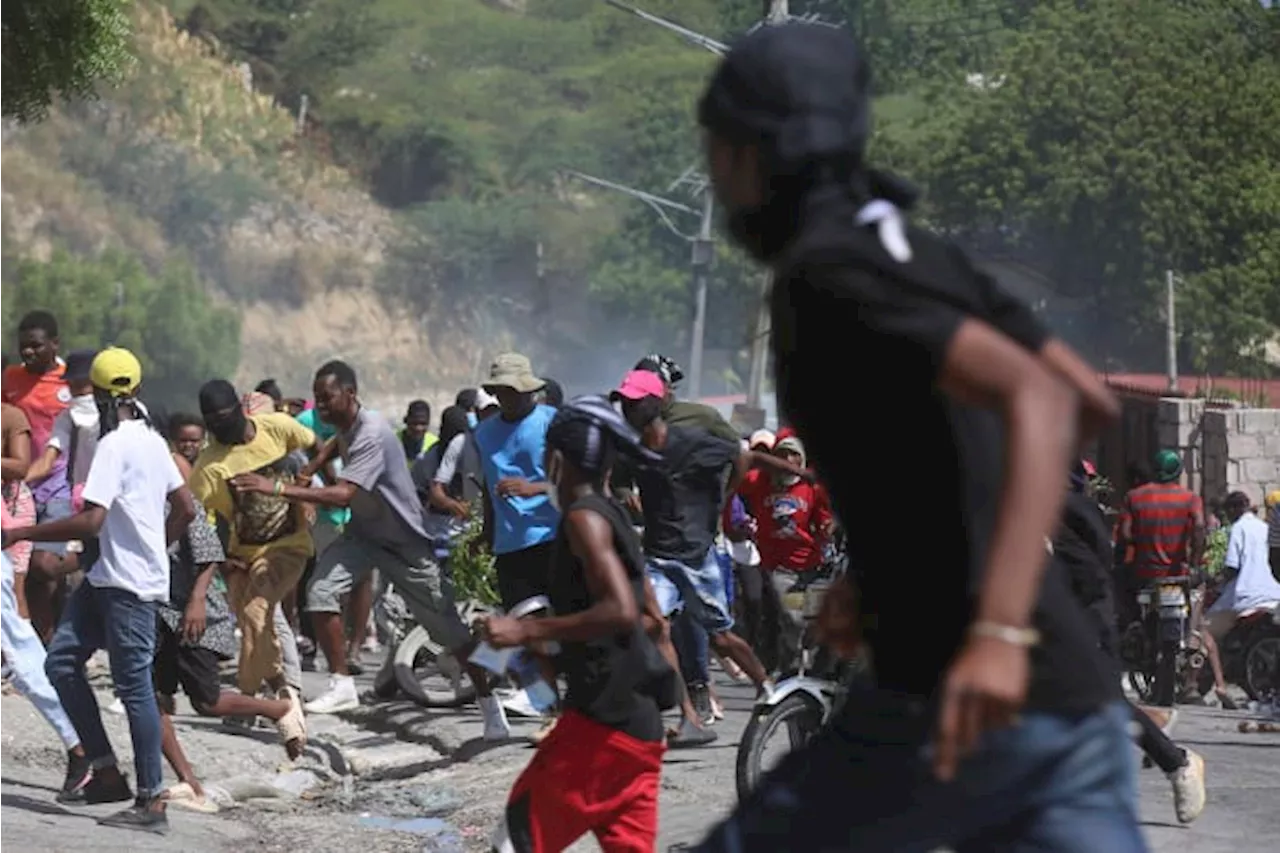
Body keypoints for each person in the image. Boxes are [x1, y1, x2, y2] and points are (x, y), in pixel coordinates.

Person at [691, 23, 1139, 852]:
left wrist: (998, 630)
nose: (715, 177)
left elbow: (1040, 398)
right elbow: (1086, 399)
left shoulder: (829, 268)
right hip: (1043, 705)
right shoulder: (916, 251)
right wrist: (896, 566)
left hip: (982, 696)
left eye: (718, 149)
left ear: (760, 152)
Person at [253, 361, 507, 737]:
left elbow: (342, 494)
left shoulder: (373, 431)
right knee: (319, 592)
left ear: (350, 394)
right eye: (317, 398)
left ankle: (490, 705)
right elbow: (337, 441)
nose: (321, 405)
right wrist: (314, 466)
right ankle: (342, 684)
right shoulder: (347, 423)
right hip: (362, 535)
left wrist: (276, 488)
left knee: (449, 632)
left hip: (404, 542)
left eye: (327, 398)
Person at [5, 347, 196, 834]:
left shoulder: (116, 444)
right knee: (61, 662)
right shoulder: (153, 439)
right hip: (106, 578)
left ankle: (152, 801)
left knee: (135, 689)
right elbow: (185, 509)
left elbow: (92, 519)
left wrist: (22, 533)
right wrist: (157, 544)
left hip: (128, 585)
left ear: (104, 394)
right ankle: (106, 772)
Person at [484, 396, 670, 853]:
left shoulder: (583, 518)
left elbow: (622, 610)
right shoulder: (613, 516)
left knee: (514, 842)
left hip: (600, 728)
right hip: (639, 731)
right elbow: (652, 618)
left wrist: (526, 632)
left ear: (557, 459)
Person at [615, 370, 806, 703]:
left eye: (636, 401)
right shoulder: (630, 450)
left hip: (696, 557)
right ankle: (683, 707)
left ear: (657, 402)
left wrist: (727, 497)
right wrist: (623, 495)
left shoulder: (691, 440)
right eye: (625, 403)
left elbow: (747, 456)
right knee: (645, 627)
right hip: (658, 557)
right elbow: (614, 480)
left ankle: (766, 687)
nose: (629, 409)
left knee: (721, 638)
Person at [1056, 460, 1206, 825]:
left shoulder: (1122, 502)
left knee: (1100, 698)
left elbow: (1118, 547)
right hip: (1175, 577)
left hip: (1100, 605)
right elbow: (1198, 535)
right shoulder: (1189, 499)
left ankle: (1174, 758)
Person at [189, 380, 318, 713]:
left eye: (224, 417)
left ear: (238, 409)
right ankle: (279, 690)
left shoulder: (276, 428)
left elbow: (319, 447)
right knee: (253, 624)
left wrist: (309, 490)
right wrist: (218, 564)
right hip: (242, 555)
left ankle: (254, 697)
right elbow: (199, 522)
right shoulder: (209, 466)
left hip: (290, 546)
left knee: (256, 612)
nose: (219, 426)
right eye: (211, 420)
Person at [0, 398, 89, 802]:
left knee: (21, 655)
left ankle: (81, 746)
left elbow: (19, 475)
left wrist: (17, 578)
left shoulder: (9, 418)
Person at [735, 433, 833, 673]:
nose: (788, 460)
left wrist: (828, 527)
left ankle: (810, 667)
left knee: (815, 622)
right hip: (781, 568)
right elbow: (738, 468)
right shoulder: (758, 481)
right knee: (792, 618)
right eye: (782, 455)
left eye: (794, 455)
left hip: (813, 566)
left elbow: (824, 517)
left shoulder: (812, 487)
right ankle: (791, 668)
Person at [4, 311, 74, 643]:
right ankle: (43, 644)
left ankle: (84, 560)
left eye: (36, 346)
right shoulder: (10, 379)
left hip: (58, 484)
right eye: (23, 347)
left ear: (54, 344)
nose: (28, 352)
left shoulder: (68, 382)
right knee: (25, 572)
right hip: (17, 489)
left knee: (44, 566)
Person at [473, 354, 560, 611]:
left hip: (551, 537)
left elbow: (573, 479)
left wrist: (535, 488)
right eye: (501, 392)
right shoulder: (484, 433)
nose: (507, 399)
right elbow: (490, 487)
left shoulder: (551, 422)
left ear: (528, 390)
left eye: (513, 391)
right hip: (510, 544)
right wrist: (487, 532)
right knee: (522, 621)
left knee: (558, 619)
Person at [1206, 491, 1280, 643]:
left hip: (1248, 597)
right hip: (1274, 594)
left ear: (1233, 510)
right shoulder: (1264, 527)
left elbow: (1233, 567)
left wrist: (1215, 581)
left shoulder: (1238, 528)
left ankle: (1217, 667)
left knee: (1205, 631)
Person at [398, 399, 438, 465]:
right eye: (414, 423)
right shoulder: (393, 440)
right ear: (406, 420)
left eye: (423, 424)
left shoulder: (434, 444)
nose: (418, 428)